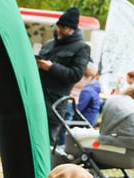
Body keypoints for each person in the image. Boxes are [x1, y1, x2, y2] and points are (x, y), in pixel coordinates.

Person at [36, 7, 91, 146]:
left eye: (64, 27)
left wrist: (51, 67)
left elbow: (75, 75)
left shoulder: (81, 48)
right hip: (36, 98)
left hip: (54, 103)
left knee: (46, 143)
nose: (59, 29)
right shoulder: (49, 44)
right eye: (59, 26)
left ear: (72, 29)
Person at [77, 62, 102, 126]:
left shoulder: (87, 91)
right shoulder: (94, 88)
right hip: (89, 122)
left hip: (82, 124)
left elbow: (78, 109)